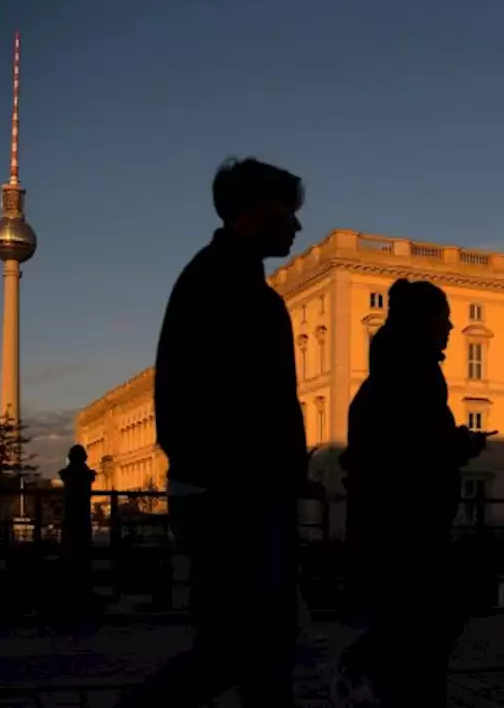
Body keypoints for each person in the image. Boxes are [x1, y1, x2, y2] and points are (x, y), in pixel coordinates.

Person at [114, 157, 308, 708]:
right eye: (288, 213)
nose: (296, 227)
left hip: (231, 493)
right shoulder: (233, 292)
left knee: (253, 650)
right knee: (244, 650)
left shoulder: (214, 280)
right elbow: (247, 405)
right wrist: (271, 477)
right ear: (254, 214)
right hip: (239, 499)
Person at [329, 278, 493, 708]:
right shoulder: (415, 375)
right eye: (445, 317)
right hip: (409, 517)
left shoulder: (390, 373)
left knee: (414, 621)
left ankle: (372, 669)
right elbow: (418, 448)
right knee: (427, 623)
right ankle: (367, 667)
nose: (452, 327)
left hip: (394, 515)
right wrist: (463, 444)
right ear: (425, 321)